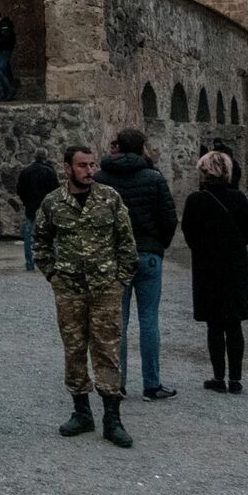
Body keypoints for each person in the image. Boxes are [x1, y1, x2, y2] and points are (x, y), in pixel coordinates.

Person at [32, 145, 138, 449]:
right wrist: (52, 274)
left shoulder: (109, 198)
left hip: (105, 287)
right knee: (74, 348)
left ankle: (112, 418)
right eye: (82, 165)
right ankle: (81, 411)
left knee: (107, 349)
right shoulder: (53, 203)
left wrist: (121, 279)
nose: (89, 171)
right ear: (67, 168)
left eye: (92, 165)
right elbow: (40, 241)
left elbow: (126, 241)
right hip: (70, 289)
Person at [96, 129, 179, 402]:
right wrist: (158, 245)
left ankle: (117, 384)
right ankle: (151, 385)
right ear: (141, 147)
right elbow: (168, 217)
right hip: (147, 254)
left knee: (117, 321)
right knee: (149, 320)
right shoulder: (153, 178)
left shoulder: (101, 178)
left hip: (114, 256)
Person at [181, 151, 248, 394]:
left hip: (207, 267)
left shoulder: (195, 201)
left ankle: (218, 377)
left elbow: (189, 233)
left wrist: (204, 249)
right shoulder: (239, 199)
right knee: (234, 324)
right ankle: (235, 379)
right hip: (235, 266)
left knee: (214, 325)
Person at [14, 151, 59, 272]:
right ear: (45, 157)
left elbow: (20, 189)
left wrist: (25, 201)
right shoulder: (50, 171)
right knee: (51, 234)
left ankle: (29, 263)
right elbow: (56, 191)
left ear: (34, 157)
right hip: (46, 208)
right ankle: (52, 261)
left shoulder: (27, 171)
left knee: (29, 235)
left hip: (31, 207)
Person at [0, 7, 18, 101]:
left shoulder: (4, 24)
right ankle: (7, 94)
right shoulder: (2, 24)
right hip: (3, 50)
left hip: (5, 50)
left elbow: (6, 38)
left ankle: (10, 91)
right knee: (6, 72)